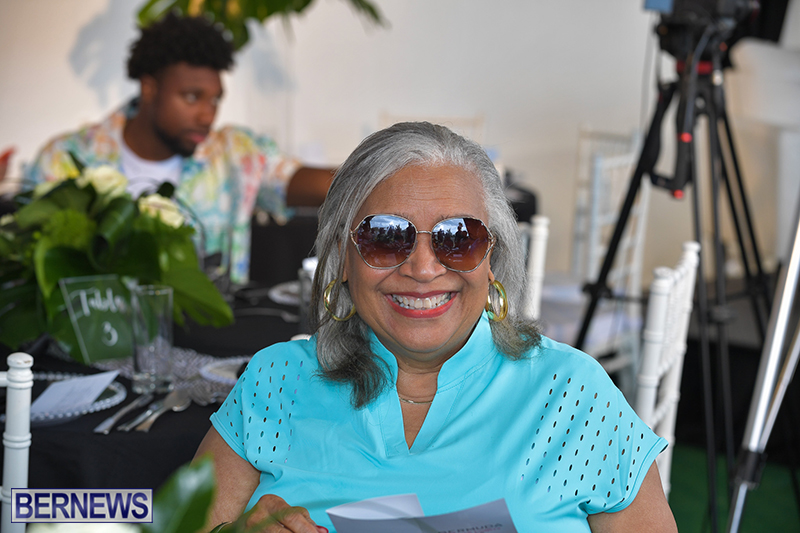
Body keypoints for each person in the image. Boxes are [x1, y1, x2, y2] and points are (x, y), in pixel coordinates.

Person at [194, 122, 678, 532]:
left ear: (492, 260)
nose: (423, 269)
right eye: (385, 237)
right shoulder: (275, 382)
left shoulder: (571, 394)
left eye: (459, 239)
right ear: (343, 257)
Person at [25, 13, 333, 284]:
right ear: (149, 88)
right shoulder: (65, 159)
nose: (206, 114)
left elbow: (296, 179)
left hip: (210, 339)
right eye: (191, 96)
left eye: (214, 99)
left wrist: (372, 174)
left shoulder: (234, 154)